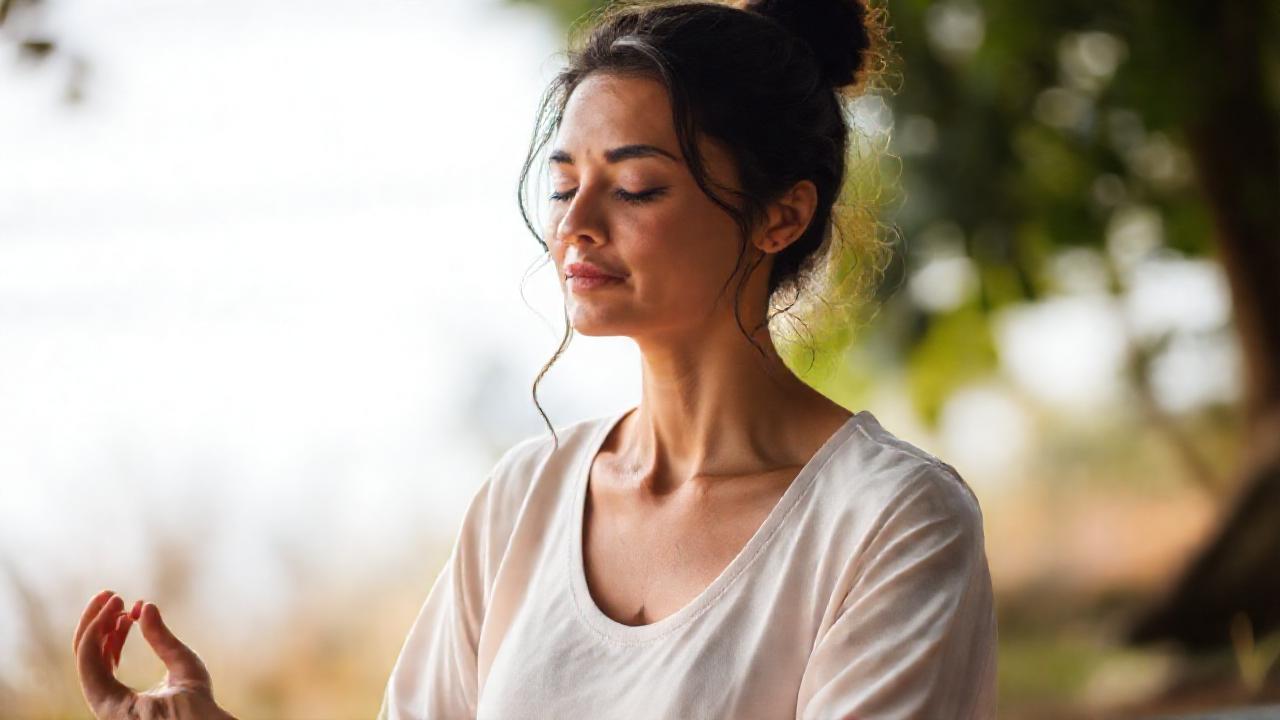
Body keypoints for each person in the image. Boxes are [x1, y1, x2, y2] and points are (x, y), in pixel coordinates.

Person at [73, 0, 998, 718]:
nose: (577, 228)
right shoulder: (525, 499)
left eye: (636, 186)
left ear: (778, 216)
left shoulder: (891, 521)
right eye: (564, 186)